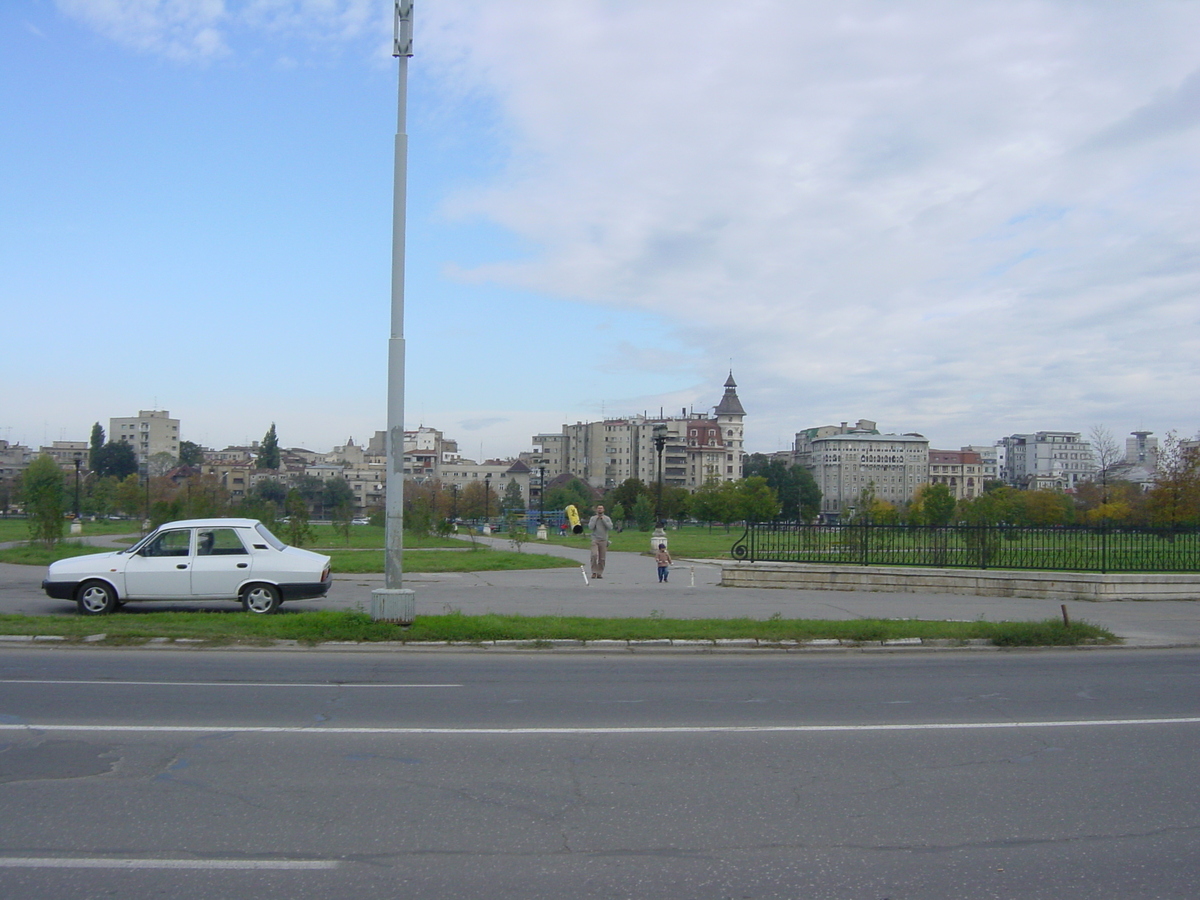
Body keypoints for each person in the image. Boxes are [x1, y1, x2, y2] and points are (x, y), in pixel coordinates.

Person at [587, 505, 615, 579]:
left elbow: (610, 527)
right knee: (594, 555)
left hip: (603, 540)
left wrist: (603, 520)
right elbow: (590, 527)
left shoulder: (607, 518)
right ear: (596, 510)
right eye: (598, 508)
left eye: (601, 508)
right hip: (595, 539)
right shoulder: (593, 518)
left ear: (603, 510)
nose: (600, 509)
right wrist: (596, 519)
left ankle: (599, 573)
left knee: (602, 558)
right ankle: (594, 572)